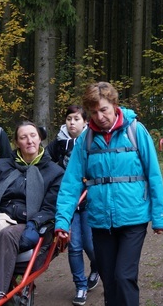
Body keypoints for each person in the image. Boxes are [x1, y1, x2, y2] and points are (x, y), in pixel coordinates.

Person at [55, 82, 163, 306]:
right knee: (109, 280)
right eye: (94, 112)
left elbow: (153, 173)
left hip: (133, 216)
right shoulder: (86, 140)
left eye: (104, 109)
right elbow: (70, 183)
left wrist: (160, 216)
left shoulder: (135, 130)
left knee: (124, 276)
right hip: (99, 219)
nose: (100, 116)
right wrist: (62, 221)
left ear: (115, 105)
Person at [0, 121, 64, 303]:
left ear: (40, 138)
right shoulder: (2, 166)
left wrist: (35, 224)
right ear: (17, 142)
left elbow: (50, 207)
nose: (29, 141)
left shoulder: (54, 172)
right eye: (23, 137)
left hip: (28, 221)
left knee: (7, 235)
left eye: (33, 136)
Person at [46, 106, 99, 306]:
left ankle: (97, 267)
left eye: (76, 118)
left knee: (90, 244)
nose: (72, 122)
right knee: (74, 246)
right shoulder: (58, 144)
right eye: (69, 118)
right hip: (68, 202)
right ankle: (80, 285)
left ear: (85, 121)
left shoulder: (92, 141)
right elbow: (45, 162)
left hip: (88, 201)